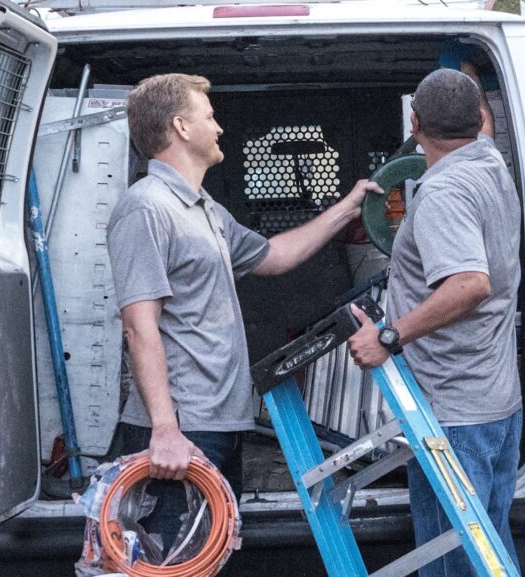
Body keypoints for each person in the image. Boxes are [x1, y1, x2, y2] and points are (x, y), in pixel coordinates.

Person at [106, 73, 381, 553]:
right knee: (173, 560)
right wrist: (164, 430)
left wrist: (347, 208)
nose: (220, 128)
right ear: (181, 127)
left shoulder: (204, 208)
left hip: (220, 424)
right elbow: (138, 324)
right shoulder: (146, 208)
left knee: (210, 558)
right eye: (209, 117)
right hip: (182, 431)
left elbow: (272, 256)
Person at [347, 68, 522, 577]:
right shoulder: (489, 161)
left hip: (454, 414)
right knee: (488, 553)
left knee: (454, 564)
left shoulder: (445, 194)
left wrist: (389, 336)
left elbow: (470, 284)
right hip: (491, 403)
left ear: (414, 120)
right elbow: (475, 125)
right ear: (480, 120)